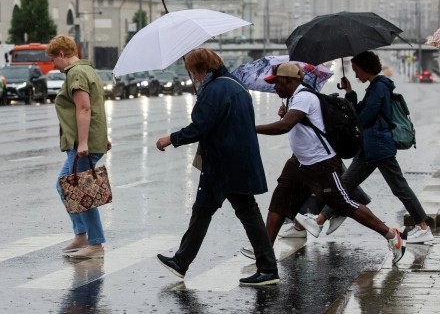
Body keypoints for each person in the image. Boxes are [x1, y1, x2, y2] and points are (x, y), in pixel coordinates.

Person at [254, 62, 407, 265]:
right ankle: (265, 255)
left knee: (345, 204)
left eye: (278, 82)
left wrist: (250, 128)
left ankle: (391, 235)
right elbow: (297, 123)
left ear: (290, 80)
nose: (275, 87)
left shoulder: (304, 97)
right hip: (299, 163)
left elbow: (285, 126)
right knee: (279, 203)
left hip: (321, 163)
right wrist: (287, 112)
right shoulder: (294, 98)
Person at [155, 48, 279, 286]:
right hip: (236, 160)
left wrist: (171, 138)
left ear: (202, 68)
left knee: (215, 212)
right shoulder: (234, 85)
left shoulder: (215, 89)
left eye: (193, 71)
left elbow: (201, 126)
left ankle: (267, 268)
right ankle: (183, 261)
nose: (194, 76)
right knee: (226, 212)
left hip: (222, 163)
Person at [295, 51, 433, 244]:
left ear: (365, 68)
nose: (356, 74)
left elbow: (364, 116)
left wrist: (348, 123)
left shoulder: (380, 86)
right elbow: (359, 111)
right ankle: (319, 221)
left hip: (378, 146)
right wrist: (350, 93)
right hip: (370, 148)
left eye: (356, 70)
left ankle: (423, 227)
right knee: (344, 185)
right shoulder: (374, 87)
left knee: (399, 188)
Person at [47, 35, 111, 259]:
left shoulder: (75, 73)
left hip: (82, 143)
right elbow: (96, 105)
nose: (53, 64)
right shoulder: (88, 70)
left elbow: (84, 108)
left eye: (53, 59)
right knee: (72, 187)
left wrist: (84, 141)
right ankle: (82, 235)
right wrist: (101, 137)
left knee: (79, 190)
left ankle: (95, 243)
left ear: (62, 54)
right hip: (90, 140)